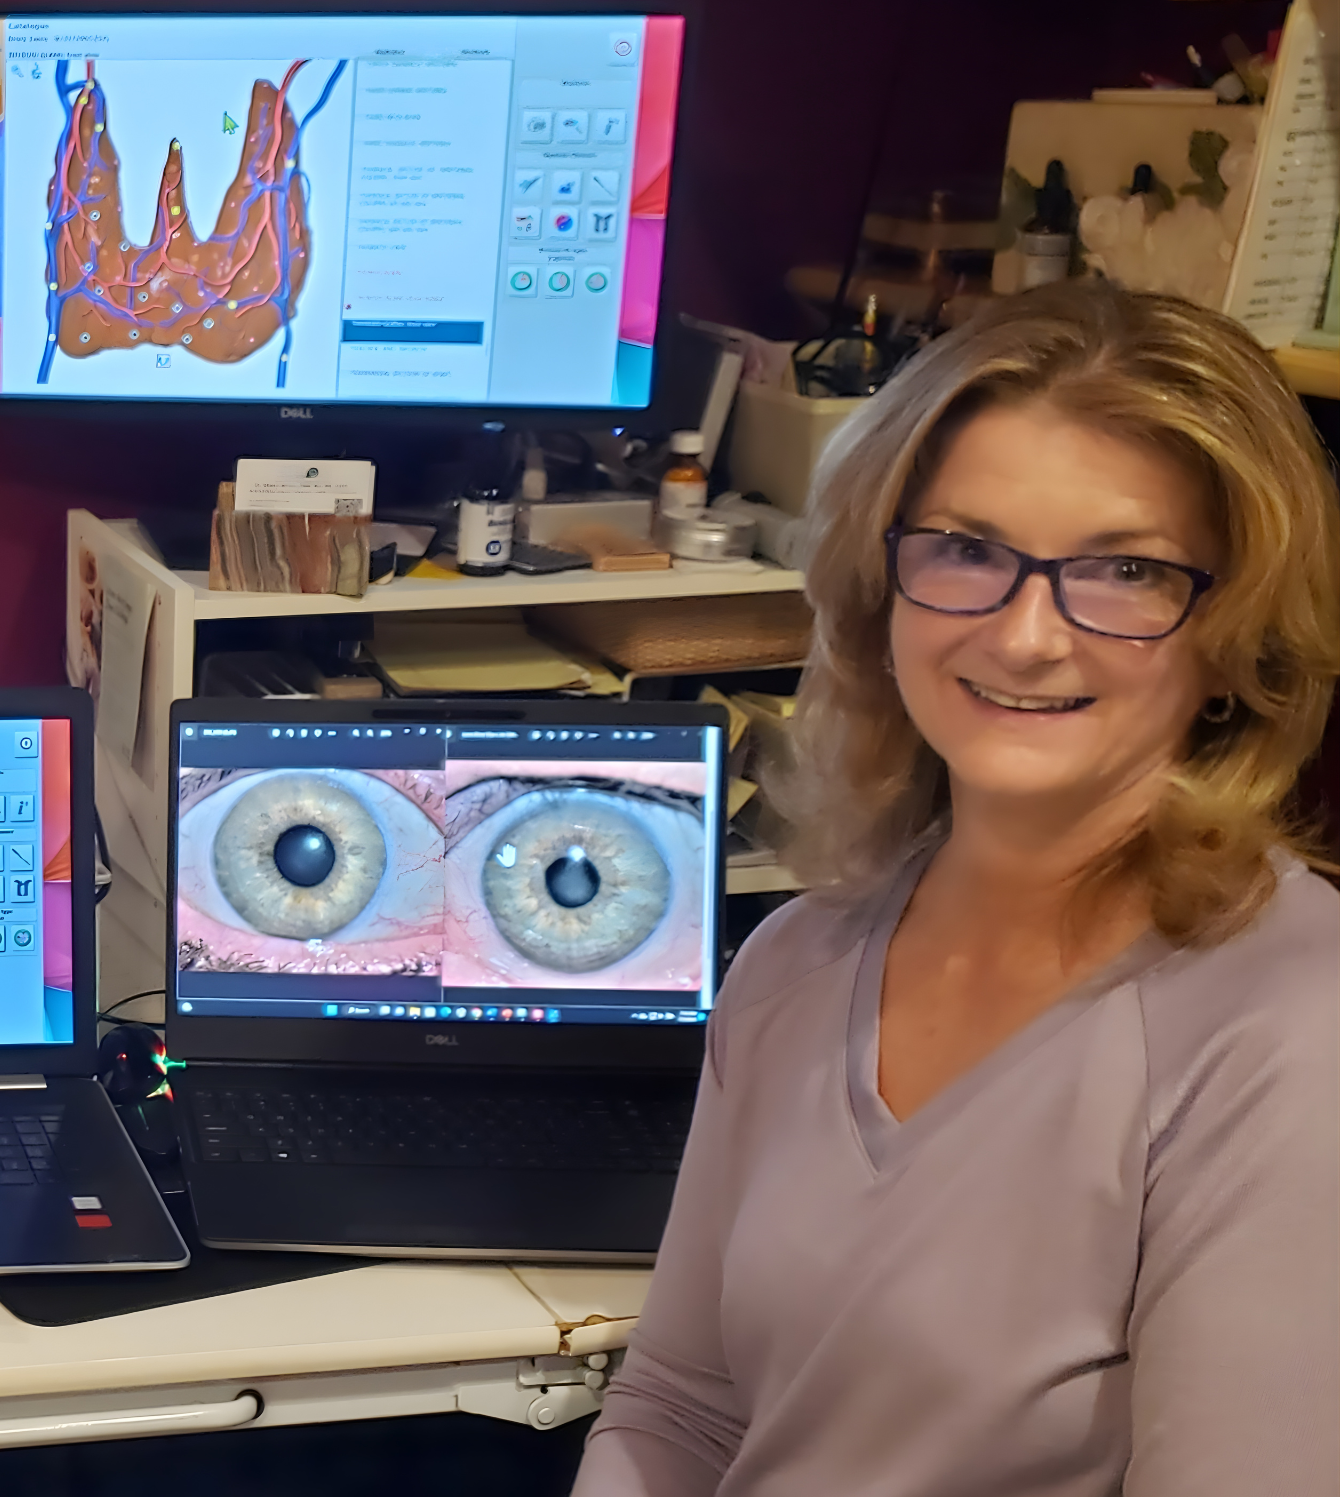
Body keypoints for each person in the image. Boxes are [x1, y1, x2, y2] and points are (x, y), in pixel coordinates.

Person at [574, 281, 1340, 1495]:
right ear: (881, 592)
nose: (1027, 635)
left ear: (1237, 636)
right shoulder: (794, 959)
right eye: (968, 550)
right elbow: (682, 1404)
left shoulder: (1292, 1031)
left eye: (1127, 570)